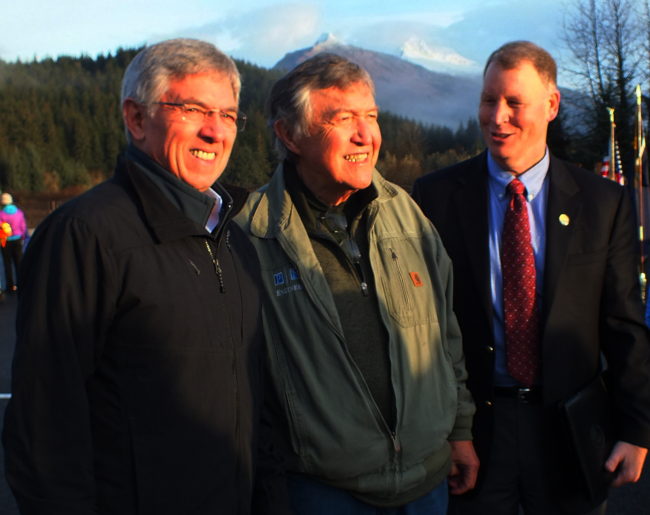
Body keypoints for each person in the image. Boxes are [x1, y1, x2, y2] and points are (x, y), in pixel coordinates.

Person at [3, 38, 282, 515]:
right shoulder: (85, 234)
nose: (217, 131)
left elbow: (256, 402)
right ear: (136, 118)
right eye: (194, 109)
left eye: (229, 114)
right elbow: (45, 424)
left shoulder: (234, 240)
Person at [412, 40, 650, 515]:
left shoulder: (603, 203)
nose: (497, 117)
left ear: (551, 105)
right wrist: (450, 431)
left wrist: (636, 428)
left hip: (572, 433)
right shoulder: (435, 197)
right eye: (488, 100)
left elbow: (623, 322)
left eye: (514, 103)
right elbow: (427, 324)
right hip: (475, 437)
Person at [236, 53, 478, 514]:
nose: (366, 136)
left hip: (429, 482)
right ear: (289, 134)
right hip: (322, 492)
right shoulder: (253, 237)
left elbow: (445, 333)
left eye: (371, 117)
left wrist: (461, 431)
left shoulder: (407, 215)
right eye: (343, 119)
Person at [0, 192, 27, 293]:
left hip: (5, 241)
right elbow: (23, 226)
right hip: (18, 239)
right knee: (19, 263)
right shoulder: (19, 213)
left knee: (7, 264)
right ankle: (21, 284)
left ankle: (10, 286)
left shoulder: (1, 214)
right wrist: (23, 237)